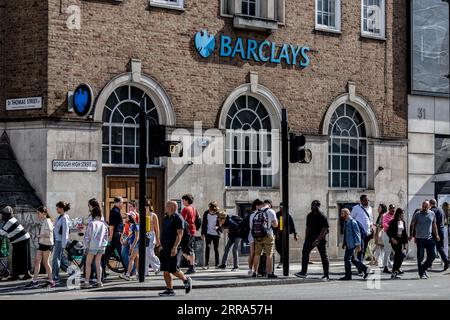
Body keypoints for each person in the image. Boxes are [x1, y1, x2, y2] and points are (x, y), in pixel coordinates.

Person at [158, 201, 192, 297]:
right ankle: (170, 289)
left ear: (173, 207)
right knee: (165, 270)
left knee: (173, 269)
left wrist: (175, 247)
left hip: (173, 248)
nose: (165, 207)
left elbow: (179, 234)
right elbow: (164, 232)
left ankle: (186, 280)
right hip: (165, 247)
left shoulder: (178, 218)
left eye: (167, 206)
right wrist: (161, 244)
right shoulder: (165, 218)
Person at [295, 200, 330, 280]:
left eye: (314, 205)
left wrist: (317, 240)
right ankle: (303, 272)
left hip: (320, 238)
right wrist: (306, 239)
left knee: (323, 255)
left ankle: (326, 275)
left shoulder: (322, 216)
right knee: (305, 252)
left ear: (318, 206)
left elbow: (325, 229)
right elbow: (307, 228)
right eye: (312, 205)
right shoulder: (309, 215)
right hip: (310, 237)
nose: (312, 207)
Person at [409, 200, 440, 279]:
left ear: (429, 206)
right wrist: (411, 235)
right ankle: (421, 273)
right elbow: (412, 224)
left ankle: (423, 269)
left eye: (426, 206)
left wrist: (436, 235)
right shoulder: (417, 214)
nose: (424, 207)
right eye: (423, 205)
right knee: (420, 257)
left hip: (429, 238)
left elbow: (434, 225)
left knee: (432, 255)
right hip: (420, 239)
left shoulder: (432, 214)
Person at [26, 207, 55, 288]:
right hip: (42, 244)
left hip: (47, 244)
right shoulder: (45, 221)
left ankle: (51, 281)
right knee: (37, 261)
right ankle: (34, 281)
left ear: (44, 213)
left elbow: (48, 234)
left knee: (46, 263)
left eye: (38, 213)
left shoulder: (48, 221)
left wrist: (39, 235)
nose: (37, 214)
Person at [0, 206, 32, 281]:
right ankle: (17, 274)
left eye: (4, 214)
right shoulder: (11, 220)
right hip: (20, 240)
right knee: (17, 257)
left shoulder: (10, 222)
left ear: (7, 215)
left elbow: (2, 232)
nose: (3, 216)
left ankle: (21, 274)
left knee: (23, 257)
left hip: (22, 240)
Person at [81, 207, 109, 288]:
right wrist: (104, 244)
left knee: (88, 263)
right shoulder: (103, 224)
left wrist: (85, 246)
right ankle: (99, 281)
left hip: (92, 245)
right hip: (101, 246)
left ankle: (86, 282)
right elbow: (106, 236)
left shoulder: (91, 223)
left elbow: (88, 236)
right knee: (98, 263)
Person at [251, 199, 278, 278]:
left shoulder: (256, 212)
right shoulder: (271, 211)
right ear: (269, 204)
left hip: (258, 235)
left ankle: (255, 272)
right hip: (268, 235)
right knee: (269, 255)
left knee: (257, 254)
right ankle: (269, 273)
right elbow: (276, 224)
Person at [340, 208, 370, 280]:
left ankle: (348, 275)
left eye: (342, 213)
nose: (341, 215)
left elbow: (357, 234)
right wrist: (344, 243)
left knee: (347, 259)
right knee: (353, 259)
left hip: (352, 244)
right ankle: (365, 269)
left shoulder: (352, 222)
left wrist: (358, 244)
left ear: (347, 214)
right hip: (348, 244)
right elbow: (346, 234)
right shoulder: (346, 222)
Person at [350, 195, 374, 263]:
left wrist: (371, 226)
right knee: (361, 249)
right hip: (359, 232)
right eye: (365, 200)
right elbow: (351, 219)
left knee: (364, 249)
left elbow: (371, 219)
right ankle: (360, 266)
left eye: (368, 200)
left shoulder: (370, 208)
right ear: (361, 201)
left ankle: (360, 263)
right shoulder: (356, 208)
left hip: (367, 232)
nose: (367, 202)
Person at [274, 202, 298, 269]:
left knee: (283, 248)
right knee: (278, 248)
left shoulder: (288, 216)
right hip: (278, 234)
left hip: (285, 235)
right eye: (280, 207)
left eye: (282, 207)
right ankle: (284, 260)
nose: (281, 208)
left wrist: (295, 234)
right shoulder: (277, 215)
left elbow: (292, 225)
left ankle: (282, 262)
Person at [52, 201, 71, 284]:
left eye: (58, 207)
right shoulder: (59, 217)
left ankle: (55, 277)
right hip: (57, 240)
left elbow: (65, 232)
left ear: (62, 208)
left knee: (56, 259)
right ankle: (74, 272)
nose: (56, 209)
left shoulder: (64, 218)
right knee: (61, 260)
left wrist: (63, 244)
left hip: (60, 241)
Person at [386, 208, 408, 279]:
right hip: (394, 241)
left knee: (401, 256)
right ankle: (394, 271)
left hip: (400, 241)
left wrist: (405, 244)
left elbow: (404, 234)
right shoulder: (393, 221)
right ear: (399, 214)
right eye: (402, 213)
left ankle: (396, 270)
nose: (403, 215)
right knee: (399, 255)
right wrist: (392, 238)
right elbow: (388, 231)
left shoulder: (403, 222)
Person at [430, 199, 450, 271]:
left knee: (431, 248)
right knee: (440, 247)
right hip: (442, 231)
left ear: (430, 204)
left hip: (434, 232)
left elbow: (432, 222)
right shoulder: (441, 210)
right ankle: (446, 260)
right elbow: (444, 221)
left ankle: (429, 263)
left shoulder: (432, 211)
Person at [180, 194, 197, 274]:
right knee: (190, 250)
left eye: (183, 200)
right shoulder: (194, 209)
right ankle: (192, 265)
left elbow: (181, 221)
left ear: (186, 200)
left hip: (187, 232)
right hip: (193, 230)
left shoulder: (185, 209)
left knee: (185, 250)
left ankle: (192, 266)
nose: (182, 202)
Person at [120, 212, 139, 281]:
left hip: (135, 245)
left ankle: (128, 275)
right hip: (132, 244)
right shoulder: (131, 225)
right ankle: (139, 274)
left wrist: (132, 247)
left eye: (127, 217)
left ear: (131, 217)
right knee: (136, 260)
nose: (126, 218)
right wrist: (126, 240)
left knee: (131, 259)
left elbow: (137, 237)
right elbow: (130, 235)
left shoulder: (136, 225)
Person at [201, 201, 221, 269]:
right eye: (210, 210)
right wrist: (202, 233)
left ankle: (217, 264)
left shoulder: (218, 214)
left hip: (216, 234)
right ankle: (207, 264)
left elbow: (221, 223)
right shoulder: (206, 213)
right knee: (208, 247)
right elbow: (203, 224)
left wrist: (218, 227)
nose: (211, 212)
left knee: (216, 249)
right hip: (208, 233)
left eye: (212, 211)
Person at [108, 197, 125, 269]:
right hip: (116, 235)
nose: (123, 204)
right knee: (121, 253)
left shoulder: (116, 211)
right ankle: (127, 270)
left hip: (117, 234)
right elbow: (111, 225)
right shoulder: (115, 211)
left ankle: (102, 268)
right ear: (118, 203)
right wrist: (110, 236)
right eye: (122, 202)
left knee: (109, 252)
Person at [144, 200, 161, 276]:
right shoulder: (142, 214)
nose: (146, 207)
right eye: (145, 206)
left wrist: (158, 239)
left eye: (147, 206)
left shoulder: (153, 215)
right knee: (145, 253)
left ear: (150, 206)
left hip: (151, 235)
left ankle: (158, 265)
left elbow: (157, 229)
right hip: (144, 235)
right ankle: (145, 271)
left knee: (149, 252)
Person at [381, 204, 395, 273]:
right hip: (386, 235)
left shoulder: (395, 216)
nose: (393, 209)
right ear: (389, 209)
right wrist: (392, 228)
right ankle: (385, 267)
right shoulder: (385, 216)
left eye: (394, 208)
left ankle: (391, 265)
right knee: (387, 251)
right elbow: (385, 225)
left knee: (391, 251)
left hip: (393, 236)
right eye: (391, 208)